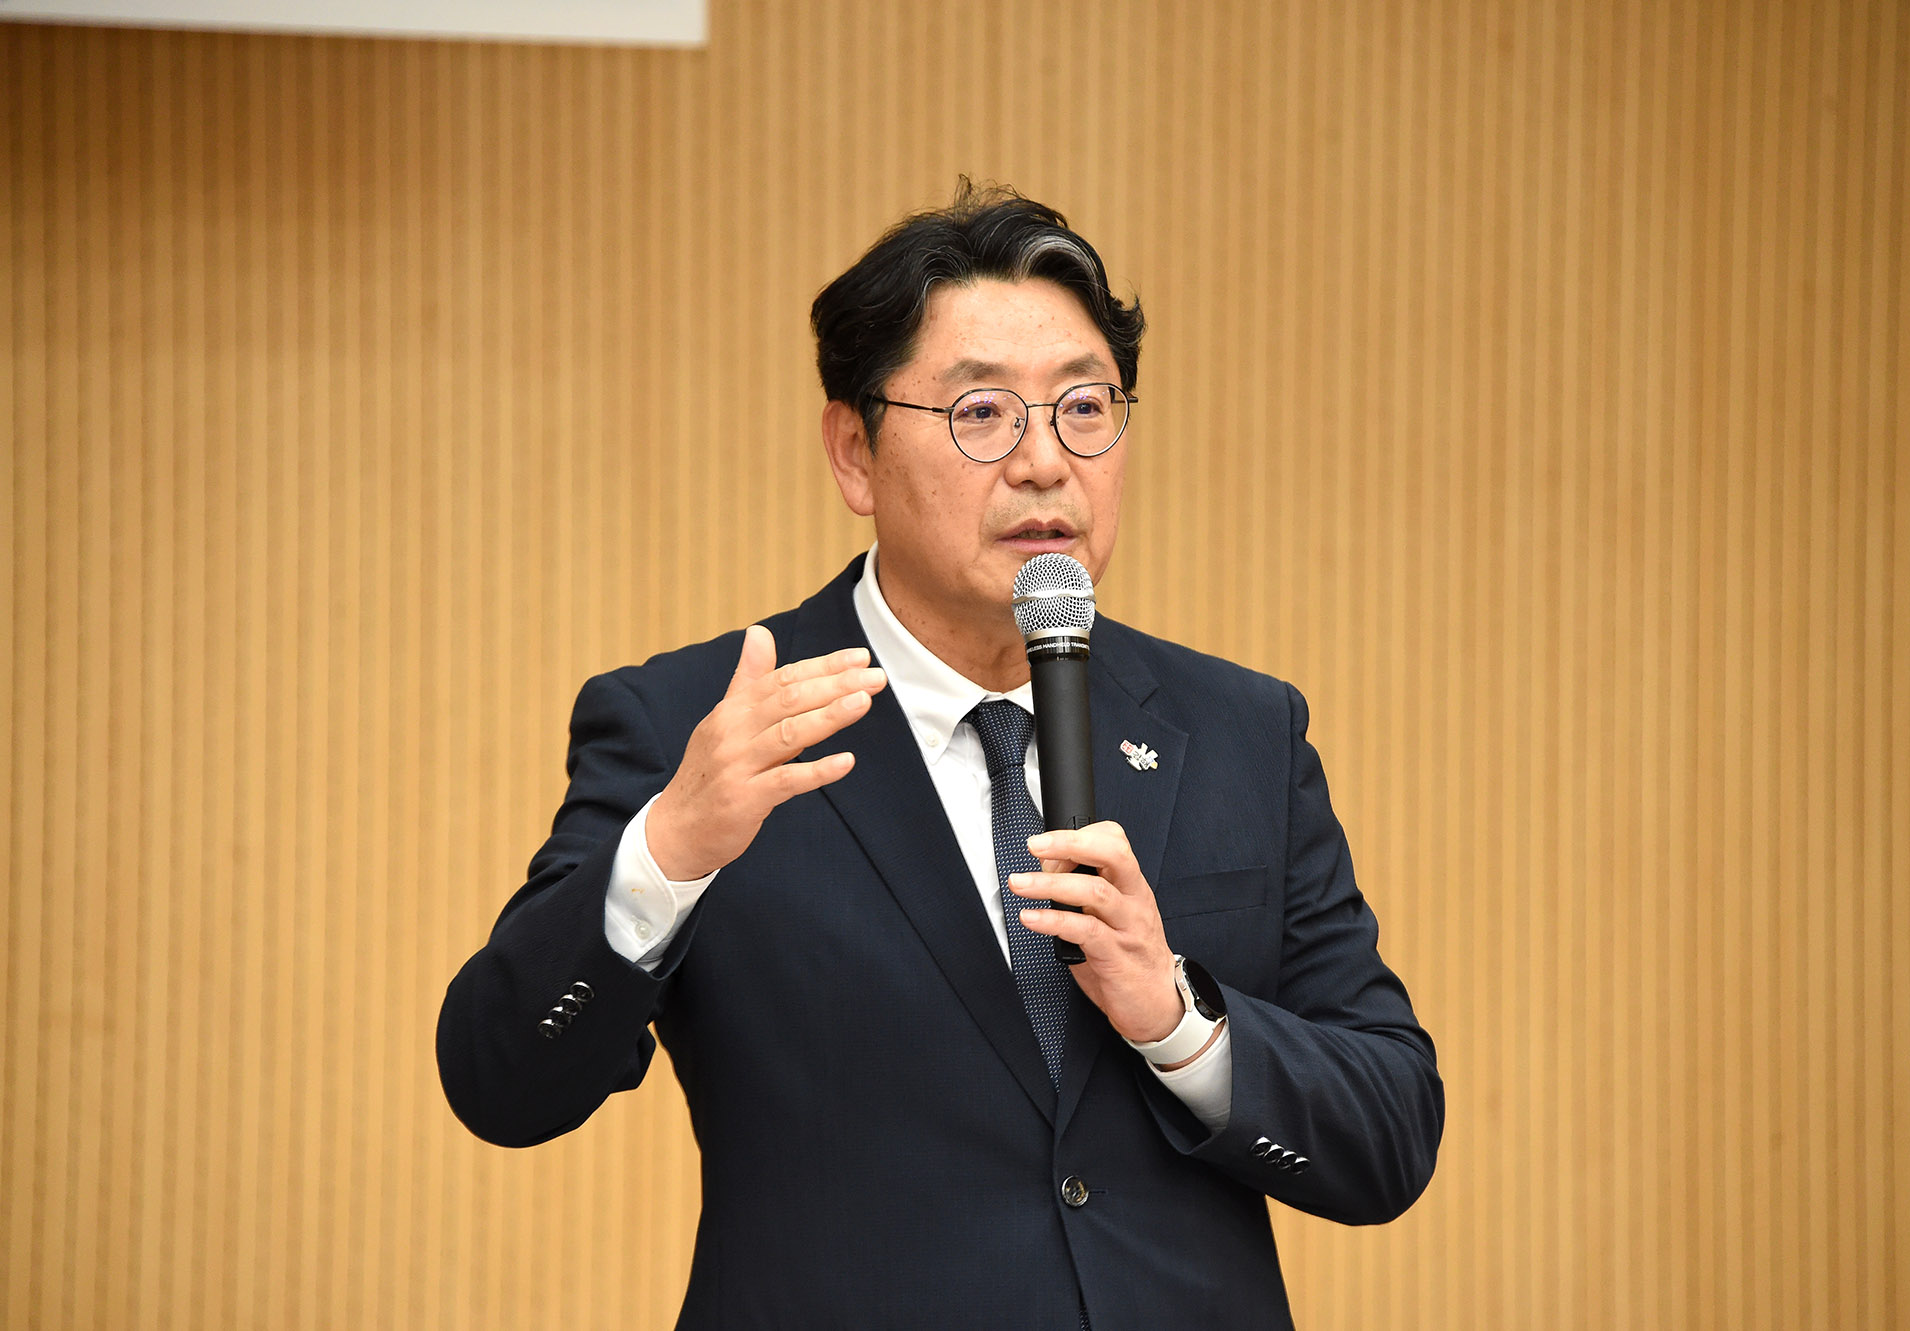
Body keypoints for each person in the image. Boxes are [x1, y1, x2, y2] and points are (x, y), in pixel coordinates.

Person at [437, 183, 1443, 1329]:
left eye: (1083, 406)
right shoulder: (700, 728)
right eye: (981, 412)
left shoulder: (1238, 731)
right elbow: (501, 1084)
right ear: (853, 452)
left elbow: (1389, 1132)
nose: (1044, 462)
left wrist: (1177, 1018)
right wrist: (664, 855)